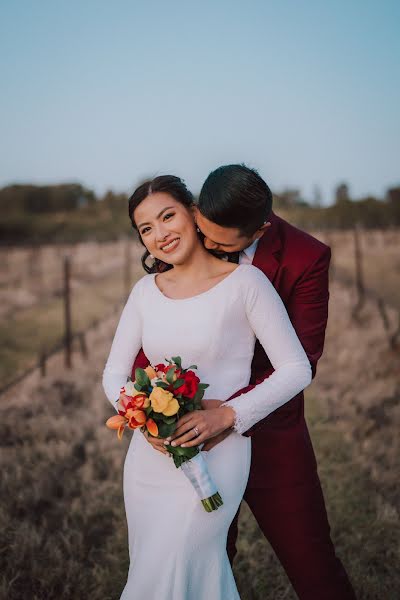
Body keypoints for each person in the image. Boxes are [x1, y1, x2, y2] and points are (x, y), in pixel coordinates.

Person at [134, 165, 357, 599]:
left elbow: (302, 360)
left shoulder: (306, 257)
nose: (209, 246)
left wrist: (226, 413)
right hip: (192, 437)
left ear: (260, 229)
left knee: (310, 559)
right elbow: (155, 336)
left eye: (222, 243)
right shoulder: (191, 234)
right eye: (204, 233)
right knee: (201, 555)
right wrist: (154, 405)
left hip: (272, 431)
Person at [103, 174, 312, 600]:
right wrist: (145, 422)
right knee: (151, 567)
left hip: (219, 451)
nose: (160, 234)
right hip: (150, 459)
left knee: (183, 559)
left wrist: (229, 415)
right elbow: (113, 375)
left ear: (193, 214)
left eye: (167, 216)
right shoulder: (145, 292)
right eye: (146, 228)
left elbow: (296, 368)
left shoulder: (247, 285)